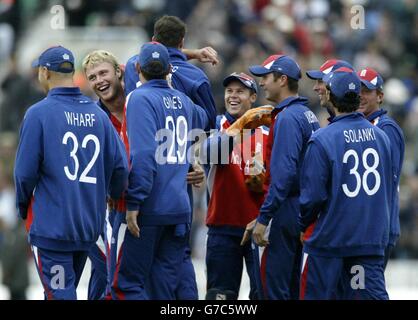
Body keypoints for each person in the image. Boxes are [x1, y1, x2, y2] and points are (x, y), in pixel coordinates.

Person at [14, 45, 129, 300]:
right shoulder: (98, 115)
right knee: (63, 291)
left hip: (52, 230)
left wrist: (22, 207)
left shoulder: (38, 114)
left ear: (45, 72)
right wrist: (113, 193)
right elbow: (121, 167)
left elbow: (24, 174)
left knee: (60, 294)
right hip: (87, 227)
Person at [124, 15, 218, 299]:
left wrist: (133, 201)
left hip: (151, 198)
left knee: (132, 282)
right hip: (181, 197)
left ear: (140, 68)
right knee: (175, 268)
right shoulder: (188, 95)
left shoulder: (136, 89)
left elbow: (142, 155)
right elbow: (207, 123)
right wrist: (194, 159)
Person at [298, 67, 392, 300]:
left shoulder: (322, 139)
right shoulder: (380, 136)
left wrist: (303, 224)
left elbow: (312, 198)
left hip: (330, 243)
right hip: (369, 242)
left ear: (330, 95)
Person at [247, 54, 320, 300]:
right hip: (302, 208)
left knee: (273, 290)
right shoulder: (306, 114)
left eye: (266, 77)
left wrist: (264, 217)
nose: (262, 83)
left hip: (284, 209)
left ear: (282, 79)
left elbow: (283, 174)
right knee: (291, 288)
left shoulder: (287, 117)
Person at [202, 72, 268, 300]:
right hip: (222, 226)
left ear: (253, 97)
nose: (233, 96)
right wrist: (241, 125)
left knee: (262, 295)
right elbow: (209, 154)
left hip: (259, 229)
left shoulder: (269, 131)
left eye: (240, 91)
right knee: (220, 296)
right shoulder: (215, 125)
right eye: (229, 91)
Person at [82, 50, 127, 300]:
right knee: (106, 277)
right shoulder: (90, 119)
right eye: (92, 77)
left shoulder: (142, 105)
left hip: (144, 208)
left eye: (103, 73)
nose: (99, 80)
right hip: (101, 214)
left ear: (118, 72)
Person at [357, 67, 405, 268]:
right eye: (357, 90)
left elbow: (384, 180)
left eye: (367, 90)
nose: (360, 96)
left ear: (380, 96)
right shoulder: (361, 125)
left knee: (366, 290)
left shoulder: (386, 128)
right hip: (365, 226)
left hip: (377, 227)